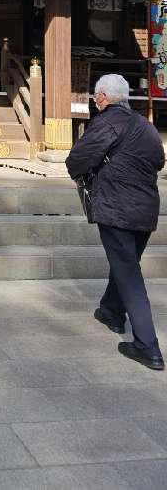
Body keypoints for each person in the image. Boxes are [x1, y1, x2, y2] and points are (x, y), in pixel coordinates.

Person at [66, 73, 165, 371]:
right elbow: (159, 161)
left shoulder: (108, 122)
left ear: (103, 97)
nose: (97, 101)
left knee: (130, 274)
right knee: (126, 263)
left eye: (97, 96)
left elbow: (76, 160)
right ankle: (111, 311)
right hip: (145, 208)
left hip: (116, 208)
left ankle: (147, 347)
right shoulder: (145, 126)